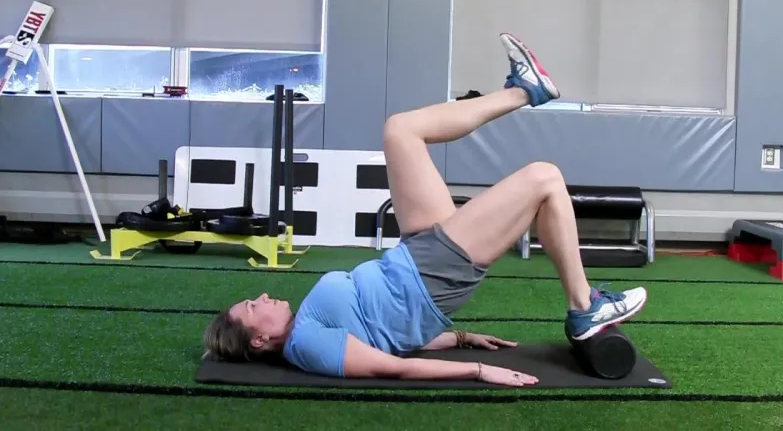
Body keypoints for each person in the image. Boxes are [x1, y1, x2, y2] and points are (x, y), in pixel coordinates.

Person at [204, 33, 648, 387]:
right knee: (544, 178)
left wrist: (458, 338)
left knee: (401, 131)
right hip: (428, 276)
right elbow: (387, 365)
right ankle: (584, 305)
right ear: (259, 339)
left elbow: (389, 337)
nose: (261, 296)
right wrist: (475, 369)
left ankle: (522, 91)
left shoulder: (306, 322)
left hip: (412, 256)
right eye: (251, 305)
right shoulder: (307, 345)